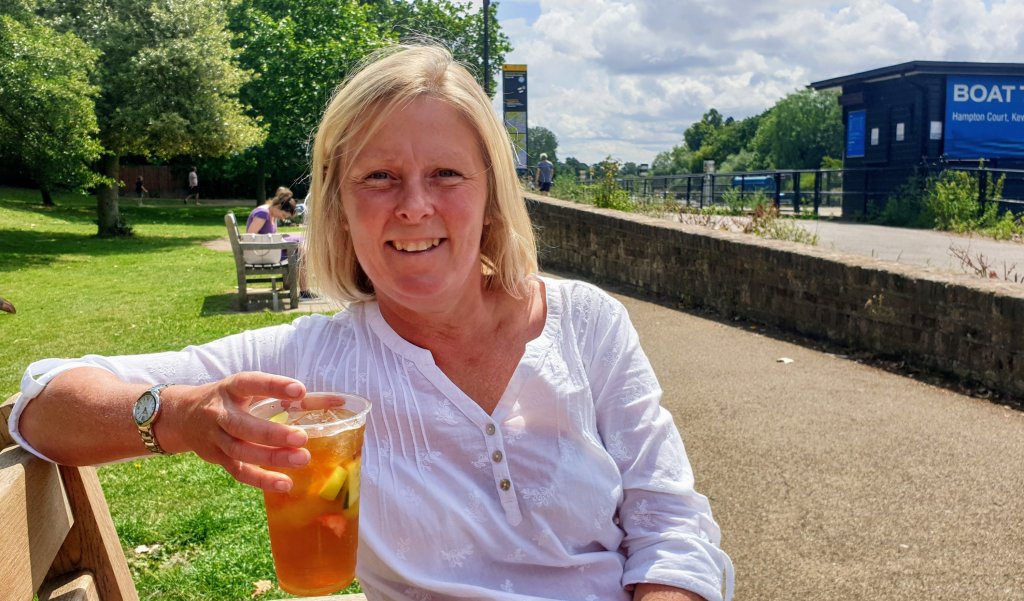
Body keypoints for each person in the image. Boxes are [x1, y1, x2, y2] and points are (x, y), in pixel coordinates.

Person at [10, 44, 733, 601]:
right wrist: (179, 416)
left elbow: (671, 527)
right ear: (338, 207)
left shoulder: (587, 324)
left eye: (446, 174)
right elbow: (42, 401)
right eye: (379, 177)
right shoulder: (310, 364)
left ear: (490, 195)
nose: (414, 206)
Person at [246, 186, 314, 299]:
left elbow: (266, 235)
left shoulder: (269, 212)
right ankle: (304, 291)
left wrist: (281, 239)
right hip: (260, 254)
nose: (282, 218)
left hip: (268, 250)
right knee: (302, 250)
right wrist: (280, 241)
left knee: (303, 242)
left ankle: (304, 290)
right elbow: (249, 237)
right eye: (283, 215)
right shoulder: (262, 214)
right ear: (278, 207)